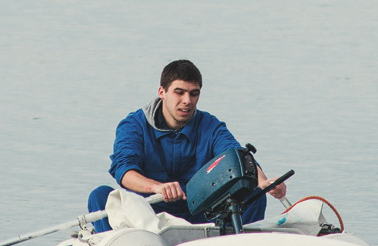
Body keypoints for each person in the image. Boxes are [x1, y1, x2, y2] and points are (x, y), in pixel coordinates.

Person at [88, 59, 287, 232]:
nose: (187, 101)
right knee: (99, 195)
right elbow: (123, 170)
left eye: (194, 94)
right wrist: (157, 187)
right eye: (179, 92)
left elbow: (237, 156)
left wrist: (264, 182)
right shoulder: (133, 125)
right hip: (147, 210)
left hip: (199, 213)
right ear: (162, 92)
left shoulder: (210, 125)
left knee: (254, 193)